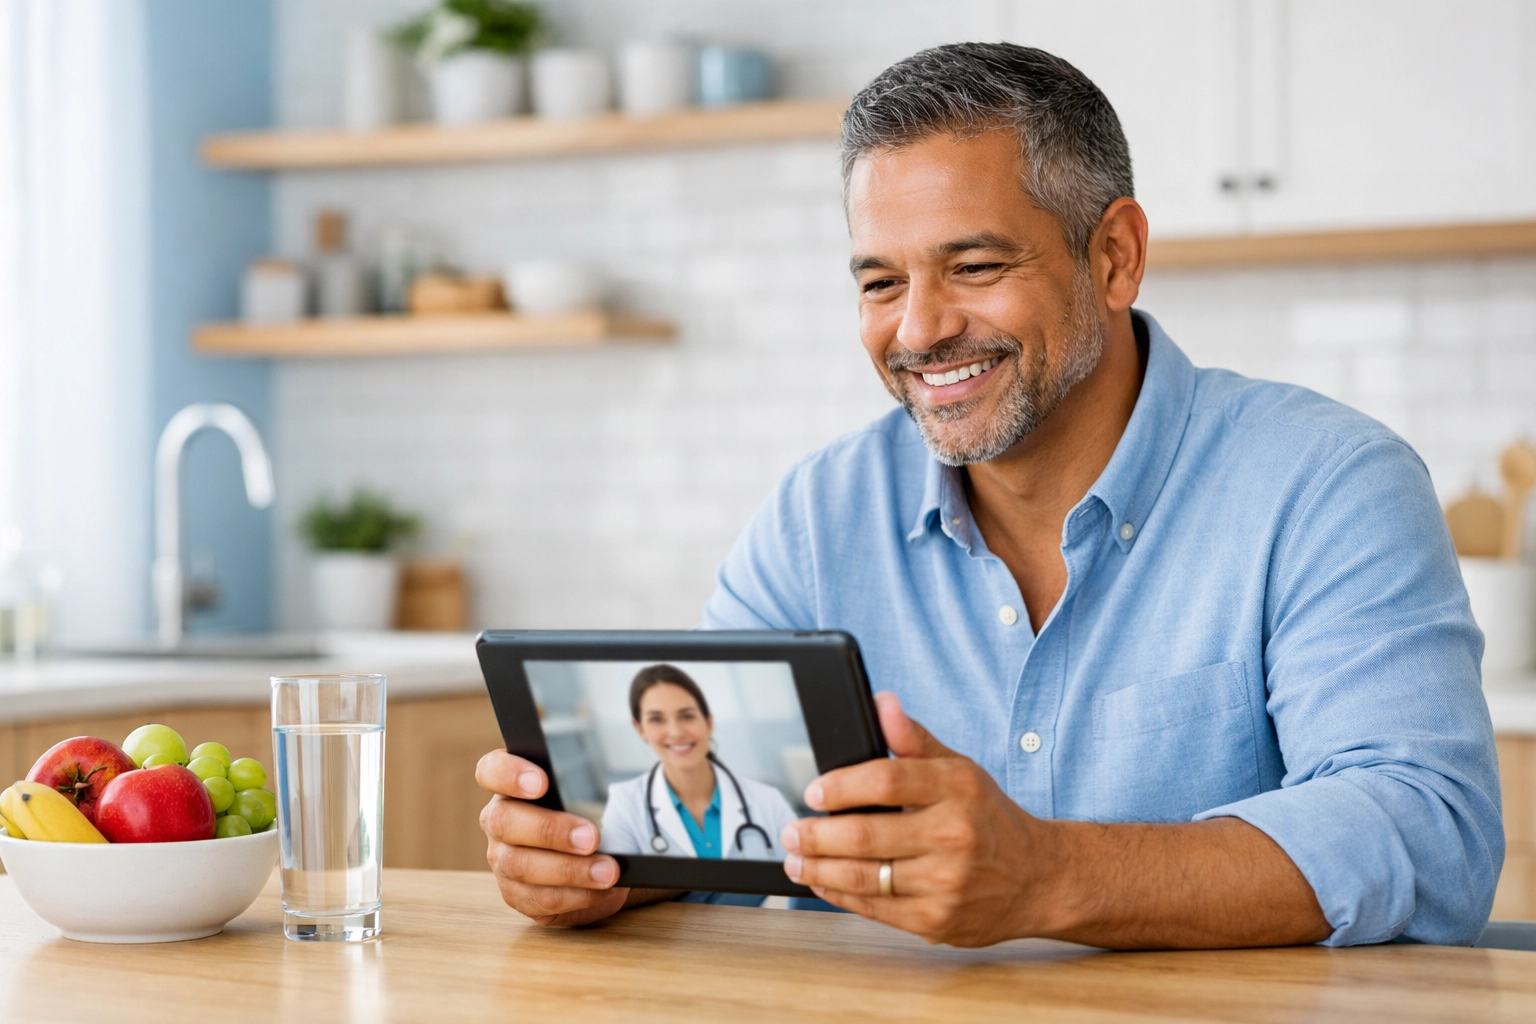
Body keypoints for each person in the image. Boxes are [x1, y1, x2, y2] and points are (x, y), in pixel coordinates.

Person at [477, 41, 1502, 947]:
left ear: (1115, 257)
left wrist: (1049, 875)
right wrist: (603, 861)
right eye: (881, 282)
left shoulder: (1327, 484)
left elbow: (1428, 830)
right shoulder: (817, 516)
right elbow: (747, 816)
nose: (919, 329)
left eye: (972, 265)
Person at [599, 664, 798, 863]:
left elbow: (804, 875)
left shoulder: (768, 802)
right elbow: (614, 881)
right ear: (640, 729)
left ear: (708, 722)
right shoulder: (624, 805)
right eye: (656, 719)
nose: (676, 732)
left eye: (687, 716)